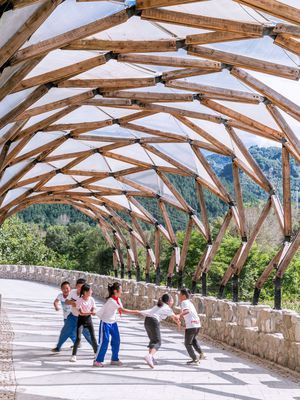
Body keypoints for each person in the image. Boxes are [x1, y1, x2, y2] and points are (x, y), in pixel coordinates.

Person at [94, 282, 140, 368]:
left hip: (113, 323)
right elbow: (123, 310)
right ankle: (97, 360)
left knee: (116, 340)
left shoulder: (117, 299)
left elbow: (120, 309)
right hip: (105, 323)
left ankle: (114, 359)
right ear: (115, 291)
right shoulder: (111, 301)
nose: (121, 292)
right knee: (105, 341)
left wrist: (120, 311)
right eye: (121, 290)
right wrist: (136, 311)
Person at [51, 278, 92, 353]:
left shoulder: (87, 295)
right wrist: (72, 303)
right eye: (79, 286)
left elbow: (91, 307)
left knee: (88, 335)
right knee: (65, 332)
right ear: (76, 286)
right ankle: (58, 347)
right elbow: (66, 301)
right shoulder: (72, 292)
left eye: (82, 287)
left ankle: (98, 349)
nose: (80, 289)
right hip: (72, 316)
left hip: (83, 318)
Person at [141, 293, 180, 368]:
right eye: (172, 300)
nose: (173, 302)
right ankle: (149, 356)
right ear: (168, 301)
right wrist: (178, 319)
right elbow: (174, 317)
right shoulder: (167, 307)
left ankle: (151, 358)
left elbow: (173, 317)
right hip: (153, 321)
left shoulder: (160, 305)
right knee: (158, 342)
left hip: (147, 321)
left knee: (153, 340)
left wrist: (177, 321)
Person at [70, 284, 98, 362]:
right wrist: (91, 313)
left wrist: (93, 311)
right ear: (85, 292)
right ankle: (73, 355)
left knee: (93, 337)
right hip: (81, 321)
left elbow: (93, 308)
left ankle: (96, 353)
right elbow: (81, 313)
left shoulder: (91, 299)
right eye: (90, 290)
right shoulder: (79, 301)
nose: (91, 291)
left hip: (89, 321)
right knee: (78, 338)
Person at [178, 288, 205, 365]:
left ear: (183, 295)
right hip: (197, 325)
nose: (179, 296)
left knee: (187, 343)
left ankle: (195, 359)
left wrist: (178, 315)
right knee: (193, 340)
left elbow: (187, 311)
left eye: (180, 294)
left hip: (191, 325)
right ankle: (201, 354)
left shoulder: (184, 302)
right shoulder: (190, 302)